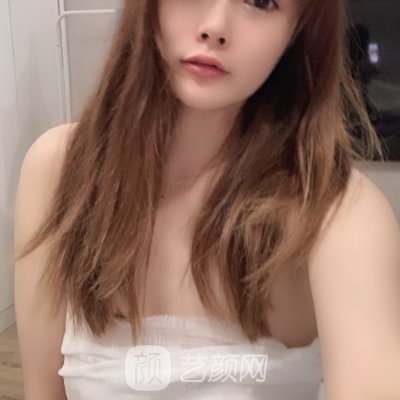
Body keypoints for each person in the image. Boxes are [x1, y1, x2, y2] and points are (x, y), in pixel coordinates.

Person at [13, 0, 400, 399]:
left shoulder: (336, 215)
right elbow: (43, 392)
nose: (215, 26)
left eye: (261, 1)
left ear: (299, 30)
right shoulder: (57, 172)